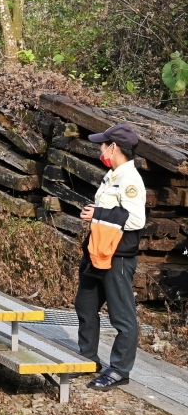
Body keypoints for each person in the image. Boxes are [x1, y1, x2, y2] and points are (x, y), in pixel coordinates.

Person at [78, 123, 148, 391]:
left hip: (117, 257)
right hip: (97, 251)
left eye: (103, 144)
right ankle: (86, 359)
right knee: (85, 305)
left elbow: (135, 220)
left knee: (122, 317)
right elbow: (113, 211)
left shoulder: (130, 180)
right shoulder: (113, 174)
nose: (100, 149)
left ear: (114, 147)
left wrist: (98, 214)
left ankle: (120, 370)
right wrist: (98, 210)